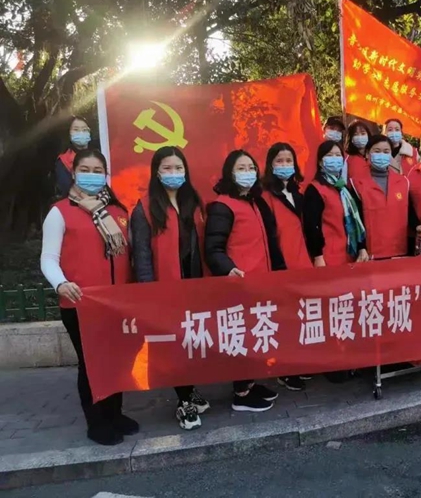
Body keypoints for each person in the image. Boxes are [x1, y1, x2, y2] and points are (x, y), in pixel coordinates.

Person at [40, 149, 138, 445]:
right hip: (81, 304)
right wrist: (60, 283)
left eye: (98, 171)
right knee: (91, 363)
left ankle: (115, 413)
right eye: (85, 170)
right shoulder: (60, 212)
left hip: (117, 303)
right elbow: (48, 258)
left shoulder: (117, 212)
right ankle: (96, 421)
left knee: (117, 361)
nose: (92, 176)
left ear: (105, 175)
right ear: (73, 173)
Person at [130, 146, 211, 431]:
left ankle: (189, 389)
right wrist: (149, 294)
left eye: (178, 168)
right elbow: (141, 256)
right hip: (165, 289)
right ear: (156, 172)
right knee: (173, 345)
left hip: (194, 283)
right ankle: (184, 401)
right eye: (167, 168)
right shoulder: (144, 208)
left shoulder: (194, 203)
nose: (173, 173)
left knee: (191, 341)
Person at [204, 150, 286, 412]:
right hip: (239, 283)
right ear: (230, 173)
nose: (247, 172)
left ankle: (250, 383)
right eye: (241, 168)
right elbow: (213, 248)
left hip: (261, 282)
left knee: (255, 335)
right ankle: (241, 394)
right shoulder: (222, 206)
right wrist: (228, 269)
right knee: (242, 337)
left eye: (251, 167)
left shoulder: (254, 202)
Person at [262, 142, 312, 391]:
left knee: (301, 317)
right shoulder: (266, 197)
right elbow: (269, 236)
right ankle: (285, 370)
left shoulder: (298, 193)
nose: (284, 165)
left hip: (304, 263)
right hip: (283, 264)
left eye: (288, 160)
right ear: (271, 165)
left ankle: (300, 363)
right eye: (279, 161)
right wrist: (278, 265)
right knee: (284, 320)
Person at [303, 141, 369, 267]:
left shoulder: (344, 189)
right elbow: (311, 226)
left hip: (350, 255)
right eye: (329, 155)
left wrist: (362, 247)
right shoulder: (315, 189)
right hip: (328, 257)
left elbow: (356, 220)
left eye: (338, 155)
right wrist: (318, 256)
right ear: (320, 162)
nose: (334, 158)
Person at [350, 134, 410, 259]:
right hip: (370, 253)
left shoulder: (404, 182)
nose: (381, 155)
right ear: (367, 154)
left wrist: (419, 226)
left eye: (386, 151)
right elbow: (355, 221)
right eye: (377, 151)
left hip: (399, 251)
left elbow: (410, 212)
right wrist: (361, 247)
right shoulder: (355, 183)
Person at [55, 116, 94, 196]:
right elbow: (66, 189)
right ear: (69, 133)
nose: (81, 133)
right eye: (76, 130)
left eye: (84, 130)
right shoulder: (63, 160)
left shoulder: (99, 155)